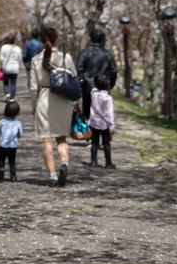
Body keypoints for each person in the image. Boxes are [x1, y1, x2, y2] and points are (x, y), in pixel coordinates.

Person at [29, 25, 78, 187]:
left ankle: (52, 175)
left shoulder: (36, 60)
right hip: (62, 100)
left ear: (42, 41)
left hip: (44, 99)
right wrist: (77, 103)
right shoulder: (66, 58)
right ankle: (64, 163)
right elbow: (74, 80)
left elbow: (33, 87)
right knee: (62, 139)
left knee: (47, 140)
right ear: (56, 40)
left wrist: (34, 106)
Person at [76, 28, 118, 120]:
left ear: (89, 38)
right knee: (102, 116)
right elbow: (113, 71)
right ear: (102, 40)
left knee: (87, 115)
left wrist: (80, 86)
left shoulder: (84, 53)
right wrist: (109, 85)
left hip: (87, 88)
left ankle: (88, 133)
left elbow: (78, 71)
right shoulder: (108, 54)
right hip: (103, 88)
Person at [88, 73, 116, 168]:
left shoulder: (93, 94)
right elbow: (109, 114)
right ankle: (108, 163)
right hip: (104, 124)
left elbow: (94, 89)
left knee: (94, 143)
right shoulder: (108, 98)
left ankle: (93, 161)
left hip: (93, 122)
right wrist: (111, 126)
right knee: (106, 144)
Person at [0, 101, 22, 182]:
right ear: (17, 113)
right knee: (12, 161)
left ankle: (2, 168)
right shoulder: (17, 123)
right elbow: (20, 134)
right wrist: (16, 138)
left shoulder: (2, 122)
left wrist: (1, 137)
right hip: (13, 146)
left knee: (1, 159)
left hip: (3, 145)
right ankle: (13, 176)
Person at [0, 35, 22, 101]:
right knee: (13, 83)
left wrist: (1, 65)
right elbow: (20, 58)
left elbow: (1, 58)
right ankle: (12, 98)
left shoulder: (4, 47)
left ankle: (7, 93)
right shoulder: (17, 48)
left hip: (6, 68)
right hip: (15, 68)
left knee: (6, 82)